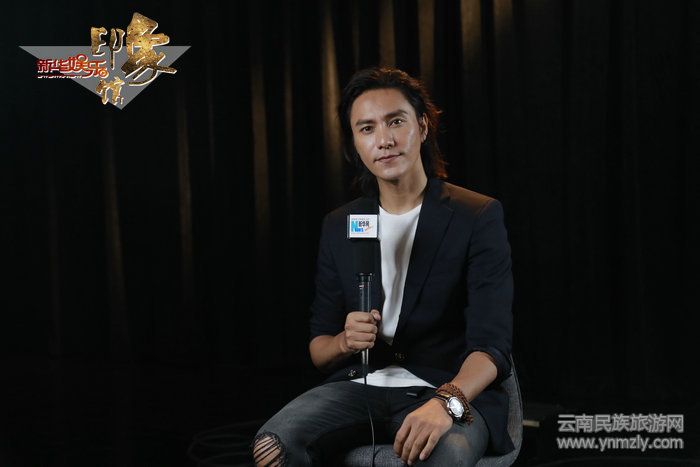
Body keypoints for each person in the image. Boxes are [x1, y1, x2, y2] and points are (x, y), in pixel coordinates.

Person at [252, 67, 514, 466]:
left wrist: (446, 402)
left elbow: (492, 347)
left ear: (422, 127)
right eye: (367, 128)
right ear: (355, 143)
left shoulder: (476, 215)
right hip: (362, 386)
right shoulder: (340, 224)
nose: (384, 140)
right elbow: (319, 349)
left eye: (396, 121)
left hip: (445, 387)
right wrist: (345, 341)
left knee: (444, 454)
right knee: (272, 446)